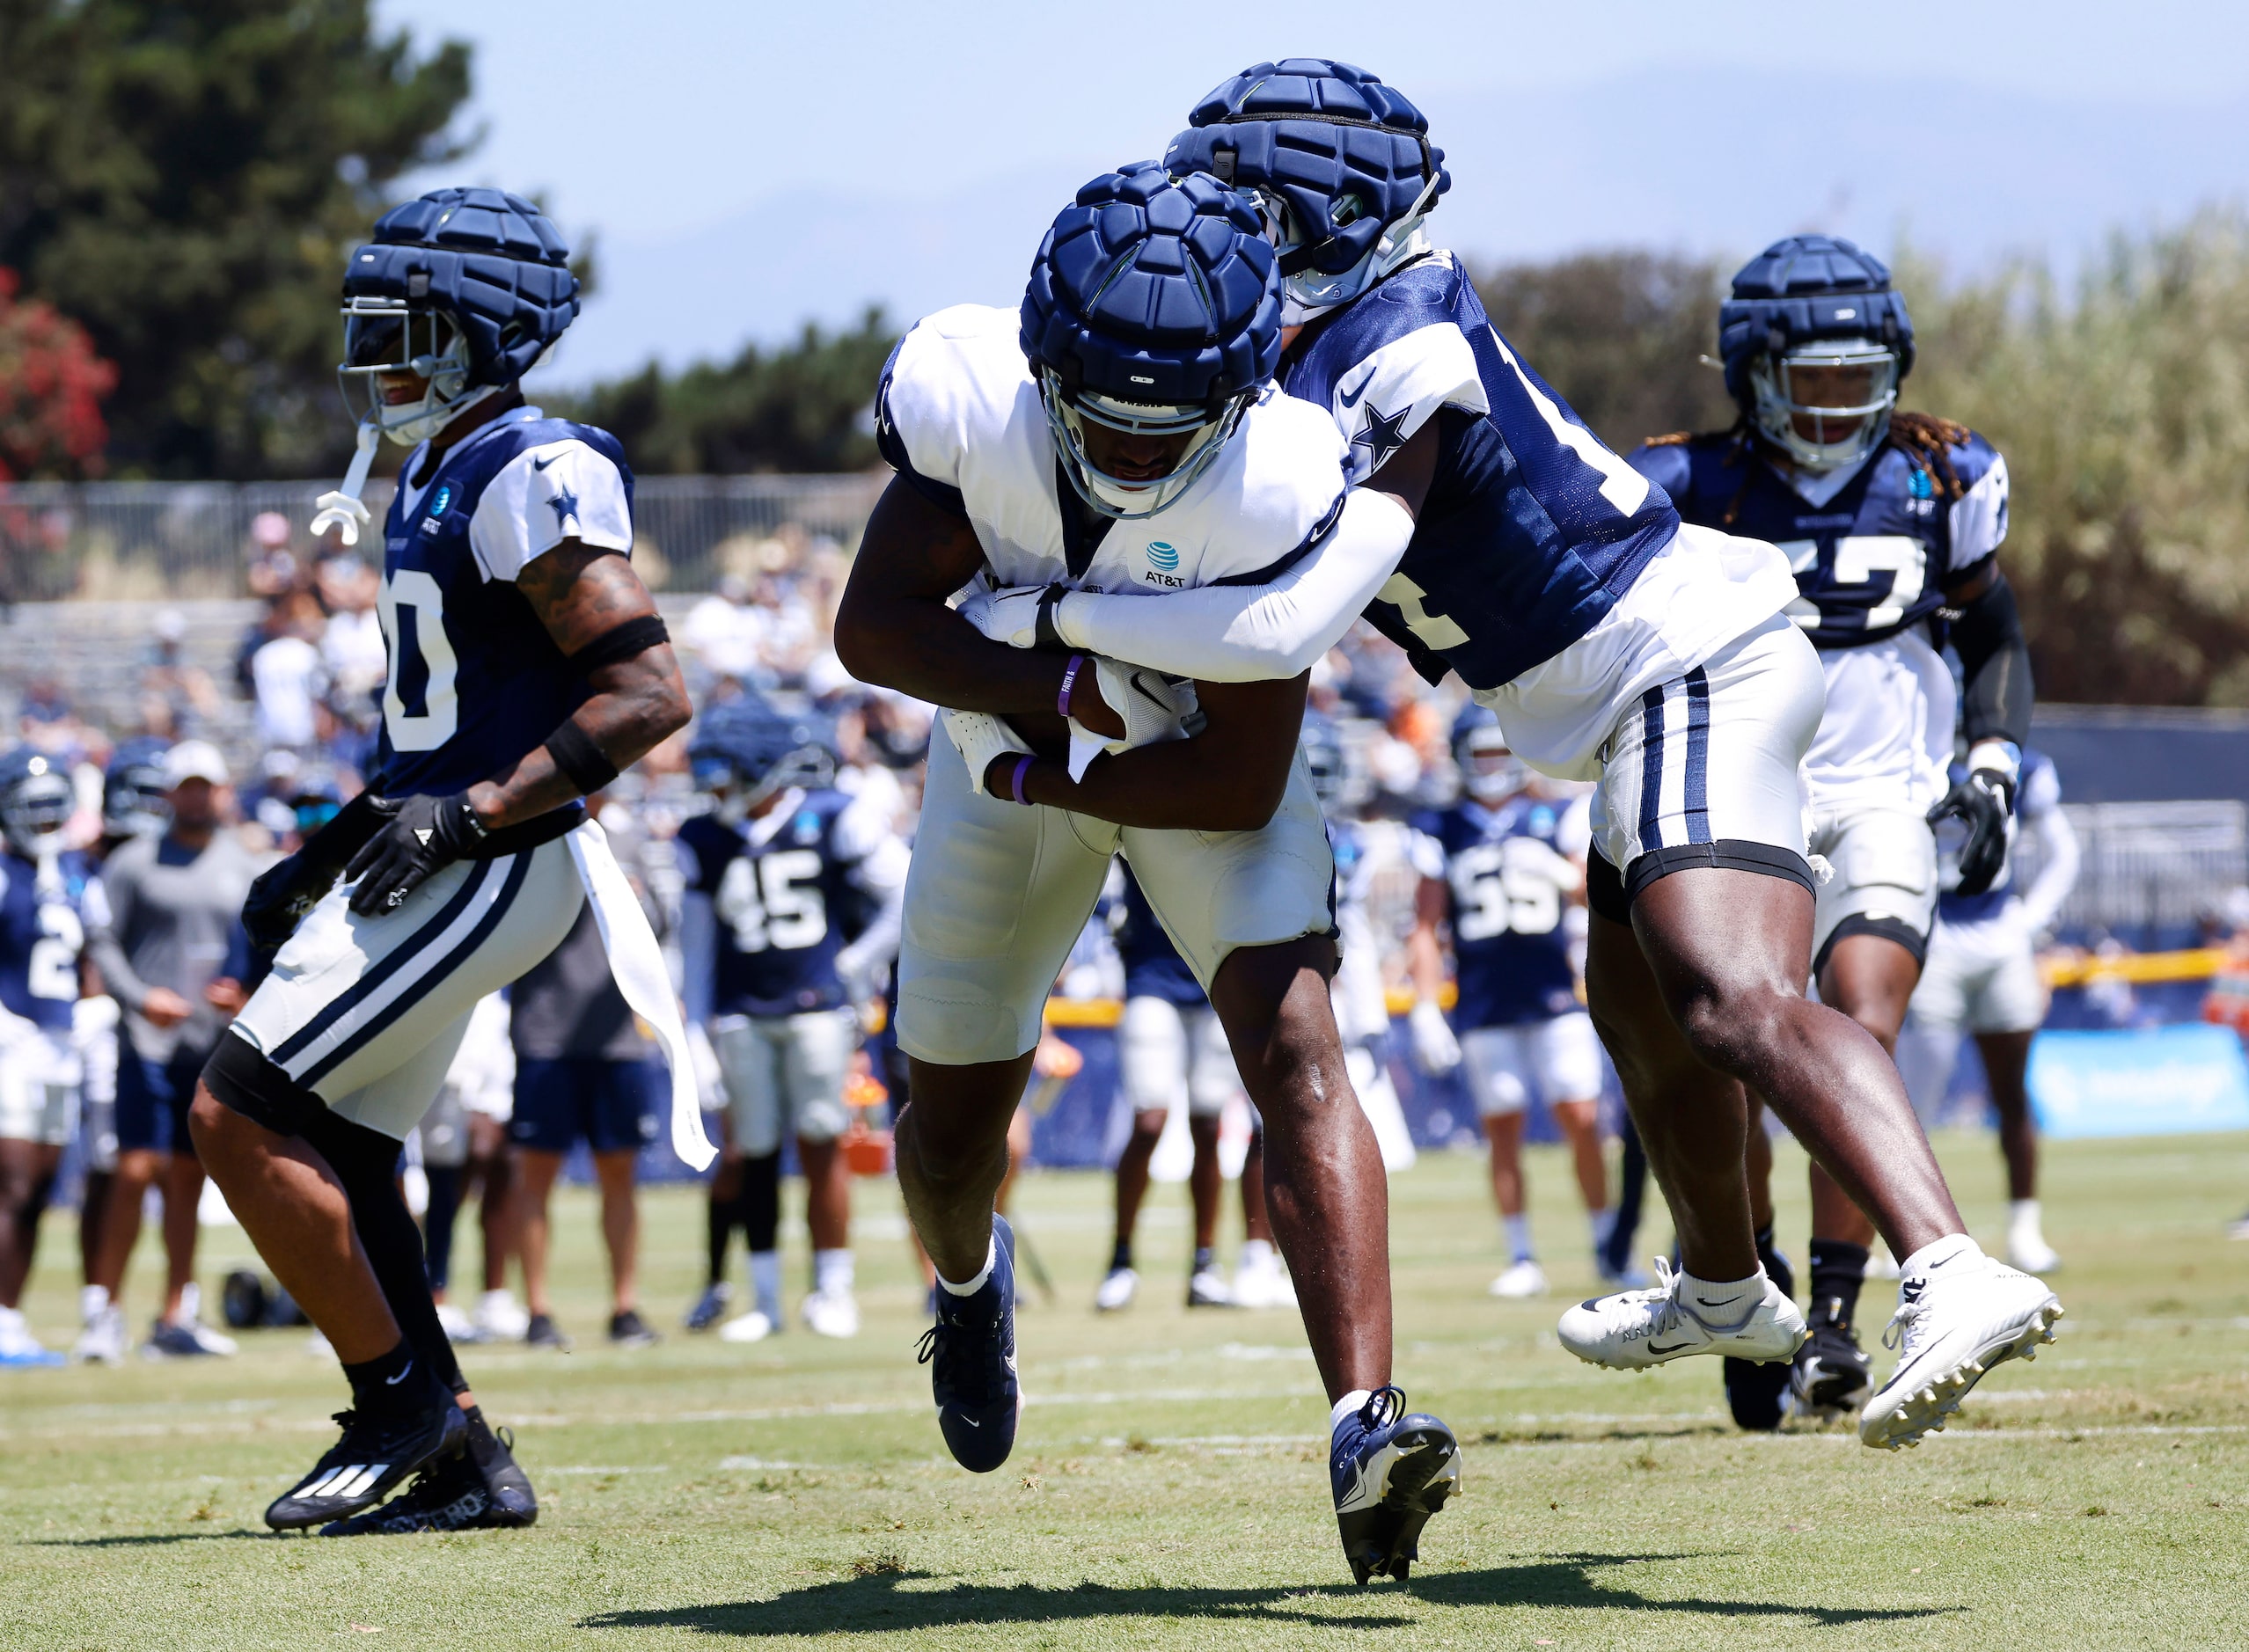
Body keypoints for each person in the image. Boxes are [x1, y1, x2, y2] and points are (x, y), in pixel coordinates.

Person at [978, 61, 2059, 1451]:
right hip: (1617, 701)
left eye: (1244, 209)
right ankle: (1728, 1287)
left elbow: (1299, 613)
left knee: (1731, 997)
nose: (1223, 240)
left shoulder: (1405, 339)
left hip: (1685, 668)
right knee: (1646, 1026)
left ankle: (1949, 1266)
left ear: (1312, 218)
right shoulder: (1316, 345)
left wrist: (1060, 609)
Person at [834, 164, 1460, 1584]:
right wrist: (1050, 690)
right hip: (1009, 754)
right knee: (944, 1131)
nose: (1124, 446)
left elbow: (1238, 777)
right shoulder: (969, 398)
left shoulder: (1285, 474)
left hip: (1166, 765)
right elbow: (872, 626)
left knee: (1299, 1043)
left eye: (1161, 422)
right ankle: (967, 1280)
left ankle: (1364, 1423)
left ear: (1242, 389)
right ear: (1045, 361)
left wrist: (1067, 753)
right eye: (1097, 412)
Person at [183, 187, 696, 1536]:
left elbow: (644, 694)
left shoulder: (532, 466)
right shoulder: (437, 467)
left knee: (236, 1110)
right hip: (445, 844)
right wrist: (331, 846)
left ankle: (399, 1402)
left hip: (504, 856)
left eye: (400, 330)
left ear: (481, 332)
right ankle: (461, 1452)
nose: (373, 358)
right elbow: (441, 730)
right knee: (339, 1141)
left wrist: (470, 818)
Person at [1627, 234, 2037, 1430]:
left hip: (1884, 796)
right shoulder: (1684, 486)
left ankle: (1837, 1325)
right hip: (1740, 800)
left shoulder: (1940, 478)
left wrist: (1995, 767)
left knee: (1863, 1019)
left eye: (1858, 375)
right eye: (1808, 378)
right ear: (1751, 374)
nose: (1835, 402)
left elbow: (1992, 625)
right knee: (1741, 1055)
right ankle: (1744, 1278)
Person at [676, 697, 906, 1343]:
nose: (711, 787)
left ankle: (833, 1289)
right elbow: (694, 950)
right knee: (753, 1154)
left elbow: (904, 890)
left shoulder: (832, 815)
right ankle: (768, 1299)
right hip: (741, 1014)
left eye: (722, 772)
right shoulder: (703, 838)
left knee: (821, 1142)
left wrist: (857, 964)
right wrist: (695, 1035)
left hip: (816, 1010)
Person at [1405, 709, 1612, 1298]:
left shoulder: (1554, 814)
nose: (1494, 766)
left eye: (1502, 753)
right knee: (1502, 1125)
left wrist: (1559, 871)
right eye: (1483, 754)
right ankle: (1521, 1254)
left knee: (1582, 1118)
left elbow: (1591, 892)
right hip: (1483, 996)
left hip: (1554, 990)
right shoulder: (1439, 826)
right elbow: (1425, 923)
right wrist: (1424, 1005)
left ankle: (1606, 1243)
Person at [76, 741, 258, 1363]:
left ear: (221, 790)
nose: (197, 796)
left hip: (210, 1044)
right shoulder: (133, 862)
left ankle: (176, 1311)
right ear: (170, 792)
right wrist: (138, 997)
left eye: (207, 785)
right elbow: (101, 941)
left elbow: (261, 945)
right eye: (187, 785)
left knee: (188, 1178)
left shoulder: (245, 863)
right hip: (148, 1040)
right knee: (134, 1172)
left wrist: (244, 992)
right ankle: (103, 1310)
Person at [507, 793, 670, 1352]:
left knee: (619, 1174)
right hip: (545, 1031)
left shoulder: (627, 842)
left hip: (617, 1036)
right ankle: (538, 1310)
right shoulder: (527, 838)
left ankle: (624, 1306)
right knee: (535, 1177)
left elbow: (660, 924)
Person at [1907, 748, 2078, 1271]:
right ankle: (1910, 1236)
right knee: (1912, 1106)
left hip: (2001, 940)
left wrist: (2028, 922)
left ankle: (2025, 1228)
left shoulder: (2024, 764)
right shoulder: (1914, 753)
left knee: (2012, 1096)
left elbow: (2063, 853)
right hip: (1934, 941)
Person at [1096, 861, 1276, 1312]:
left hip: (1214, 980)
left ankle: (1203, 1264)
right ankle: (1121, 1260)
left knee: (1208, 1124)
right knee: (1149, 1121)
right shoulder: (1140, 808)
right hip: (1151, 980)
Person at [0, 749, 97, 1367]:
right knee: (10, 1185)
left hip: (62, 1040)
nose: (44, 820)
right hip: (14, 1036)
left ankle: (11, 1318)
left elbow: (94, 951)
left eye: (51, 805)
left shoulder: (75, 872)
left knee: (37, 1191)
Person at [414, 990, 525, 1343]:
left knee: (502, 1173)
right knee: (445, 1186)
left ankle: (494, 1295)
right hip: (454, 1049)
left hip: (505, 1046)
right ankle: (434, 1295)